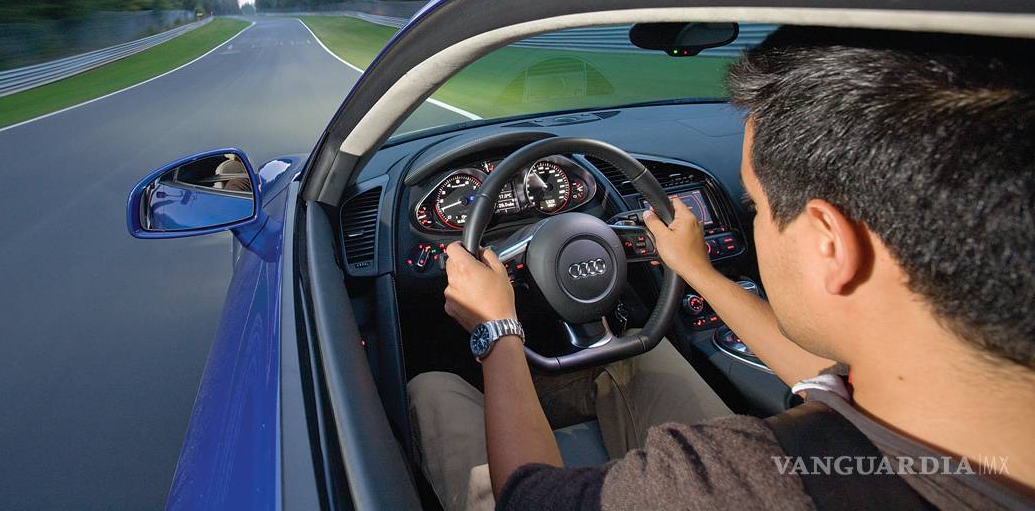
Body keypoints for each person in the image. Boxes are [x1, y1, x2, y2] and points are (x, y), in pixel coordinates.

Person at [409, 26, 1035, 510]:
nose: (753, 221)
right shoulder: (929, 390)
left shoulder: (732, 483)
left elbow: (526, 498)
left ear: (829, 243)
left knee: (431, 389)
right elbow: (826, 376)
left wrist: (497, 330)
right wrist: (700, 272)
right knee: (630, 354)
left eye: (755, 207)